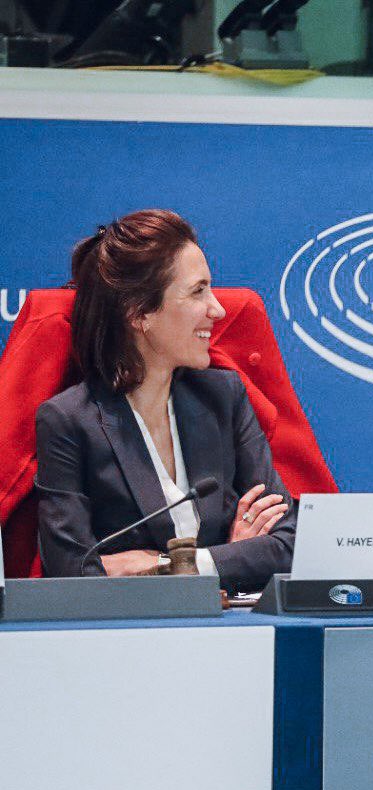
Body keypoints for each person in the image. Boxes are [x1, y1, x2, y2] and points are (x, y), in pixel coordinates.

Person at [36, 209, 296, 591]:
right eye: (197, 291)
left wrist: (174, 564)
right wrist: (231, 555)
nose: (218, 309)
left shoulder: (224, 397)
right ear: (139, 313)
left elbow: (286, 544)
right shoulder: (69, 421)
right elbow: (71, 572)